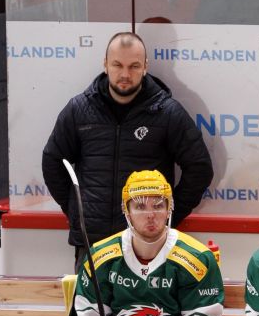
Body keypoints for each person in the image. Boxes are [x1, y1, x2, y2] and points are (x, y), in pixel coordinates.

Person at [42, 32, 213, 271]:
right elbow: (53, 162)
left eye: (134, 66)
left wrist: (166, 215)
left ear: (145, 67)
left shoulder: (167, 112)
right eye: (117, 65)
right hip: (94, 243)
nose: (125, 75)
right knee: (89, 309)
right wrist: (76, 211)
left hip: (148, 244)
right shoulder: (78, 110)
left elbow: (200, 168)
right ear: (105, 64)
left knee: (146, 309)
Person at [74, 170, 223, 316]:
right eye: (140, 206)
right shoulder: (100, 257)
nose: (150, 214)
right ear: (126, 210)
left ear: (169, 208)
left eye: (158, 205)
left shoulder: (198, 260)